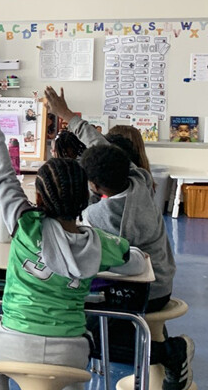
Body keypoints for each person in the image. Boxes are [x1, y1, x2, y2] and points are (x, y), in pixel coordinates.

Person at [0, 82, 148, 390]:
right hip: (70, 352)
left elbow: (2, 173)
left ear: (38, 200)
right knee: (68, 379)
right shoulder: (100, 243)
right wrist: (134, 255)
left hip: (11, 343)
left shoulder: (26, 225)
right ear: (87, 196)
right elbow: (133, 264)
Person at [45, 86, 194, 390]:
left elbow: (87, 251)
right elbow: (101, 145)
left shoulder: (100, 217)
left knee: (85, 329)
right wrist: (68, 116)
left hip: (143, 292)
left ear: (95, 185)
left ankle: (172, 352)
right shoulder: (140, 180)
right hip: (162, 280)